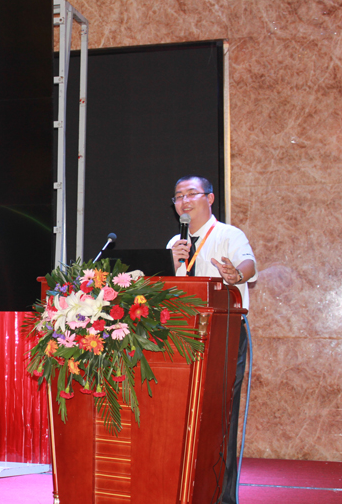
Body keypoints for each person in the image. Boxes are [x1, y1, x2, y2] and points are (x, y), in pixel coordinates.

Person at [167, 175, 256, 504]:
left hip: (225, 333)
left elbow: (248, 264)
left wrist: (236, 274)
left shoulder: (229, 234)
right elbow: (172, 289)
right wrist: (173, 263)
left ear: (210, 198)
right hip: (185, 333)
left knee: (220, 414)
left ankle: (222, 496)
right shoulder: (175, 243)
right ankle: (186, 489)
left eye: (191, 194)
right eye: (178, 196)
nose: (184, 201)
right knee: (186, 412)